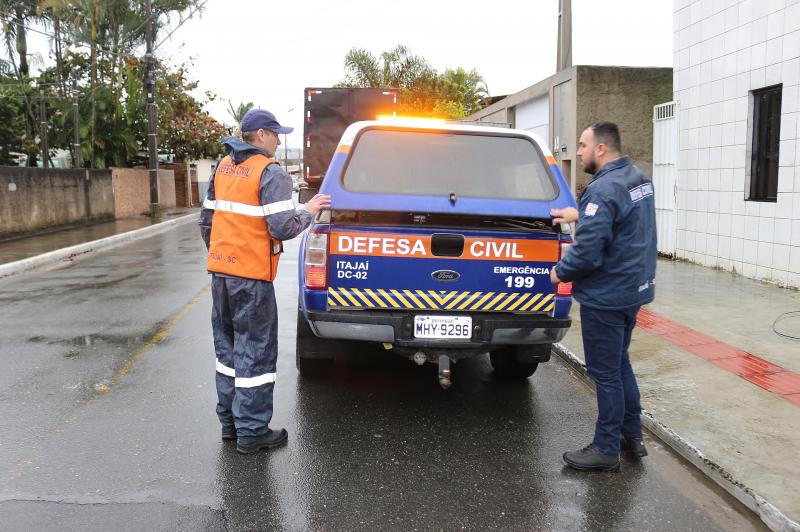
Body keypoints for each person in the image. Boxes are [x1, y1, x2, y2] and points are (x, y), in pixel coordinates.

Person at [199, 109, 330, 455]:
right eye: (275, 134)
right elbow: (283, 227)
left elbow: (206, 222)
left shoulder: (223, 167)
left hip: (221, 275)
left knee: (227, 352)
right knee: (254, 354)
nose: (278, 139)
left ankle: (231, 425)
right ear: (260, 135)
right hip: (251, 280)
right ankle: (253, 432)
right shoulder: (270, 173)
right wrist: (310, 210)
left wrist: (224, 257)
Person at [550, 121, 657, 472]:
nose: (577, 151)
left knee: (606, 374)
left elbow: (588, 252)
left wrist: (560, 271)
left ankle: (606, 448)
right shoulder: (636, 177)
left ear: (600, 149)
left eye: (582, 145)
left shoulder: (603, 189)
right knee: (620, 364)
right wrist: (580, 214)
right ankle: (633, 437)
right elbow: (618, 216)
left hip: (606, 296)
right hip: (632, 291)